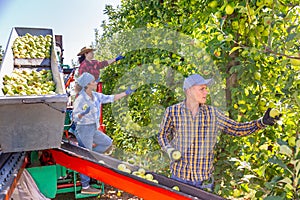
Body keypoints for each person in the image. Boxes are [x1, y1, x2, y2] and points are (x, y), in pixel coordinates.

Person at [157, 74, 280, 191]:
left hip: (203, 181)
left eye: (206, 89)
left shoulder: (213, 114)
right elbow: (162, 135)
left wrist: (262, 122)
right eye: (202, 89)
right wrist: (169, 149)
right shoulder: (173, 111)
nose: (206, 92)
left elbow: (236, 129)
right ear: (189, 91)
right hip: (179, 177)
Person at [72, 72, 135, 195]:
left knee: (107, 143)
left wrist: (125, 93)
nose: (96, 83)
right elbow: (75, 117)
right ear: (88, 85)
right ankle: (85, 186)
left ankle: (92, 157)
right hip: (83, 128)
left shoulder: (96, 96)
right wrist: (83, 113)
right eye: (94, 81)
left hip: (93, 128)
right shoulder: (80, 99)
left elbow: (110, 98)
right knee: (86, 157)